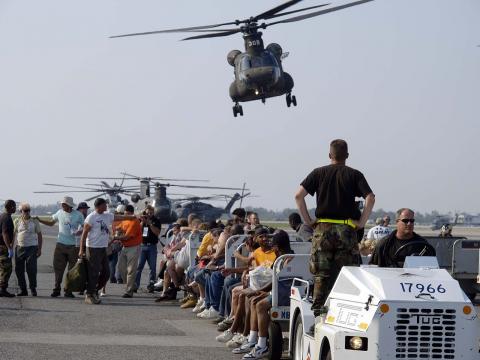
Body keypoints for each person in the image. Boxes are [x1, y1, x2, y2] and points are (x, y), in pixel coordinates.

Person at [295, 139, 375, 316]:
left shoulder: (318, 173)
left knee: (321, 274)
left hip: (323, 229)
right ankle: (345, 309)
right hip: (346, 230)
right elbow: (370, 197)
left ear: (330, 155)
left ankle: (318, 311)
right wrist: (361, 223)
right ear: (347, 156)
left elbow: (298, 196)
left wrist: (308, 220)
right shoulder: (354, 174)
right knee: (347, 274)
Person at [78, 198, 136, 305]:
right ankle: (89, 295)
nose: (106, 207)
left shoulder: (107, 215)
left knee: (106, 273)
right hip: (92, 248)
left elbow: (120, 217)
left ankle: (93, 290)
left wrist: (133, 217)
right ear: (98, 206)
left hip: (103, 248)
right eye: (104, 205)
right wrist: (81, 250)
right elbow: (84, 235)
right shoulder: (91, 218)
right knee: (93, 272)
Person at [36, 196, 84, 298]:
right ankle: (56, 289)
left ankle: (68, 290)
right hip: (60, 245)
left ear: (69, 205)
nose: (62, 205)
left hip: (73, 246)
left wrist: (80, 231)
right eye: (62, 204)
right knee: (58, 269)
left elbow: (85, 227)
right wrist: (39, 220)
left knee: (71, 270)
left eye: (64, 204)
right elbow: (51, 222)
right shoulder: (59, 212)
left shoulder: (78, 215)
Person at [370, 208, 436, 267]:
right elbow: (374, 268)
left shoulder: (423, 245)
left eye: (412, 221)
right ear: (397, 222)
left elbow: (431, 269)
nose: (409, 223)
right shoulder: (384, 245)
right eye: (405, 221)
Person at [13, 203, 42, 296]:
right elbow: (13, 235)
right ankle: (23, 289)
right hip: (19, 248)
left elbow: (39, 235)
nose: (26, 212)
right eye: (24, 211)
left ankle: (33, 288)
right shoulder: (17, 221)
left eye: (28, 210)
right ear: (21, 212)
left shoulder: (34, 221)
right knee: (19, 270)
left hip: (32, 248)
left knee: (32, 269)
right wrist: (10, 247)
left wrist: (39, 249)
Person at [116, 204, 142, 298]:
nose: (125, 215)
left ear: (131, 213)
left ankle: (129, 291)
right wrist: (116, 230)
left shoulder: (134, 221)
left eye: (127, 213)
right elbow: (119, 227)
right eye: (124, 213)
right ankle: (132, 285)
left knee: (131, 269)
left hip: (133, 247)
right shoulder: (124, 220)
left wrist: (115, 237)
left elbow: (127, 236)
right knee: (121, 268)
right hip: (125, 247)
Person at [135, 205, 162, 293]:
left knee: (152, 267)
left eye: (151, 213)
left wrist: (150, 223)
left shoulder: (156, 221)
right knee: (139, 267)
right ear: (145, 212)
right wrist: (143, 221)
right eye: (148, 213)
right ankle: (135, 285)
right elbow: (137, 230)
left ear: (153, 213)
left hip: (152, 246)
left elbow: (157, 232)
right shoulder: (142, 220)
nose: (149, 214)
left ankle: (151, 285)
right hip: (142, 245)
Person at [0, 200, 16, 297]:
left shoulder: (2, 216)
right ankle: (3, 289)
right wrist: (9, 248)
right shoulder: (6, 218)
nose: (15, 208)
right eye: (14, 206)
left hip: (1, 246)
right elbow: (5, 233)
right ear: (10, 207)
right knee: (6, 269)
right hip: (3, 247)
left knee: (2, 268)